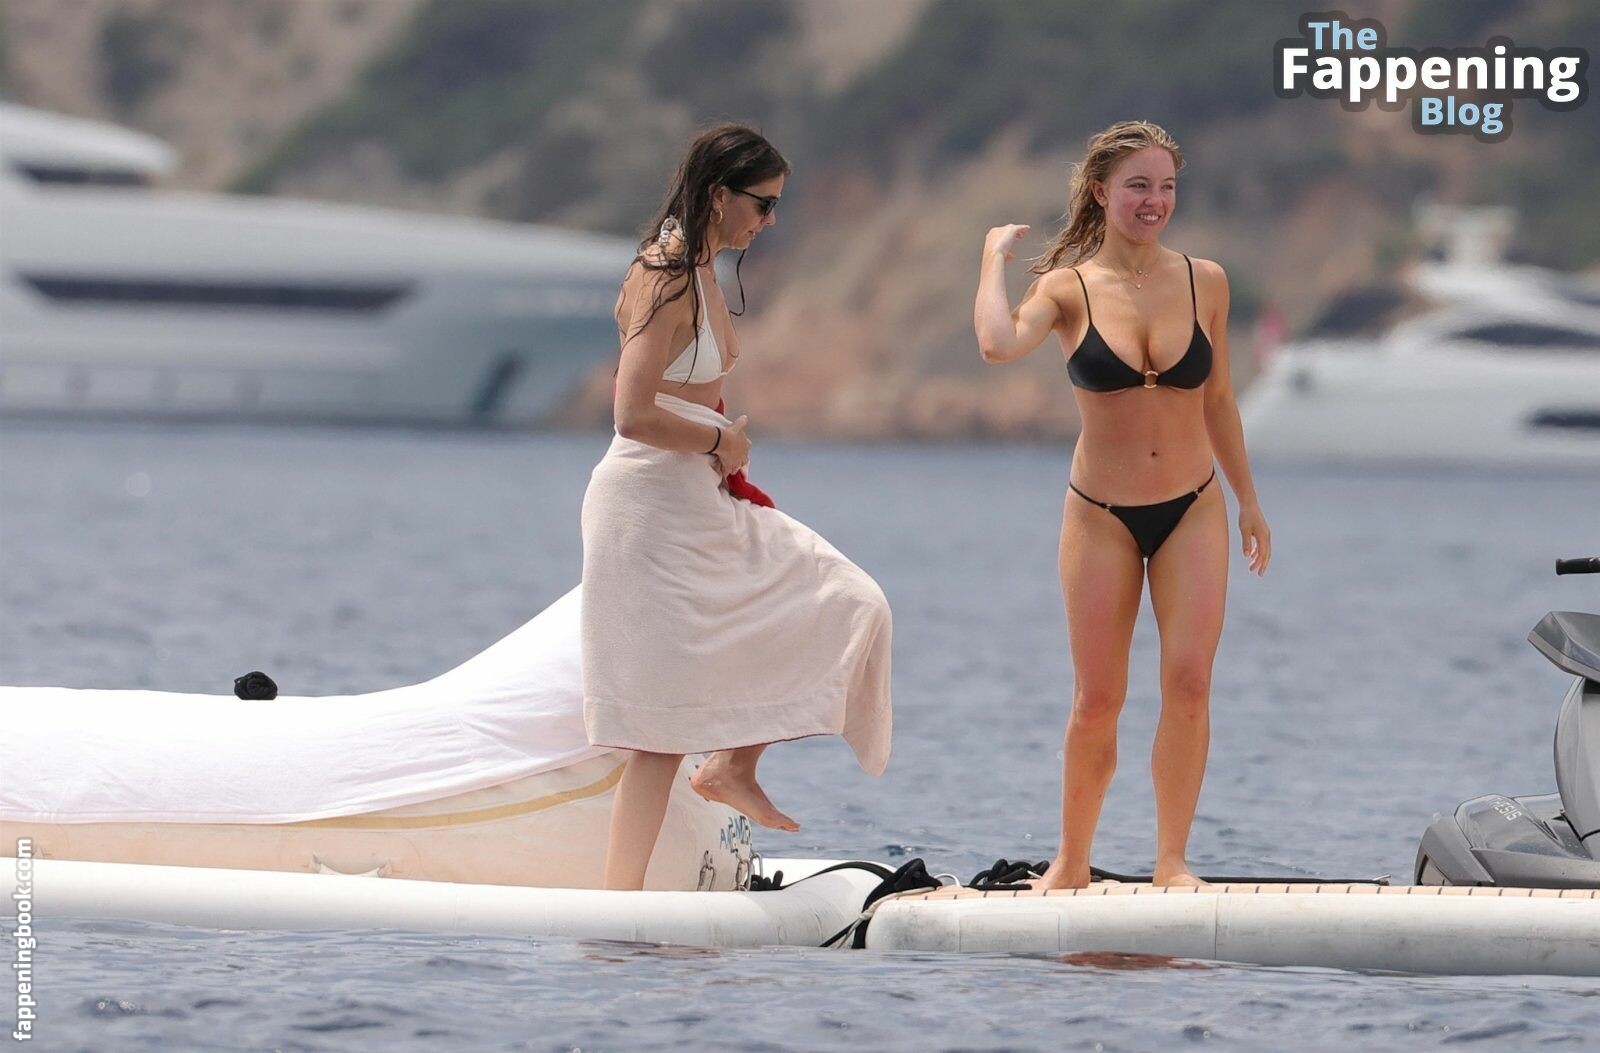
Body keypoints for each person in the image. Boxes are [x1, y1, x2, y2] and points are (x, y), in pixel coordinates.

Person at [582, 124, 893, 890]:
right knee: (655, 733)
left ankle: (731, 763)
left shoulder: (701, 268)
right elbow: (631, 412)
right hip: (648, 505)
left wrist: (718, 447)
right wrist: (720, 440)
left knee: (853, 601)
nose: (770, 220)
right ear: (719, 195)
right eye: (763, 203)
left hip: (698, 496)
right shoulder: (663, 274)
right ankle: (617, 905)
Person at [973, 120, 1270, 889]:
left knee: (1191, 682)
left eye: (1167, 186)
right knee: (1098, 698)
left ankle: (1172, 860)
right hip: (1099, 514)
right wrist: (992, 260)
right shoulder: (1066, 289)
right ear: (1102, 191)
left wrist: (1248, 500)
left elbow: (1220, 399)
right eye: (1139, 185)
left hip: (1193, 506)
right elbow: (998, 344)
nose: (1154, 201)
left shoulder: (1206, 281)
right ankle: (1071, 861)